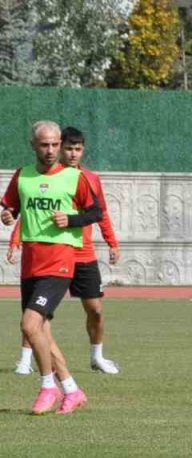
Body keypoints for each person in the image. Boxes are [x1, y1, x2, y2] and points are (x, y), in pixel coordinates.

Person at [0, 121, 105, 415]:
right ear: (33, 145)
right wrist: (8, 215)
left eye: (55, 144)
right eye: (44, 145)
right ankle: (73, 390)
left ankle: (48, 386)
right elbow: (11, 208)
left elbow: (96, 212)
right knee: (42, 332)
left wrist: (71, 220)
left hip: (59, 261)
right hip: (31, 262)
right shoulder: (22, 176)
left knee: (29, 325)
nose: (51, 150)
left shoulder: (75, 178)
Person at [10, 126, 121, 375]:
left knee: (95, 309)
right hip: (52, 256)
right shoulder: (37, 177)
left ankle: (96, 358)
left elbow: (99, 213)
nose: (72, 154)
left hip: (83, 254)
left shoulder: (87, 179)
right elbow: (28, 213)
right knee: (37, 315)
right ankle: (27, 360)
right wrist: (15, 240)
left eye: (77, 149)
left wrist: (112, 242)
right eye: (68, 148)